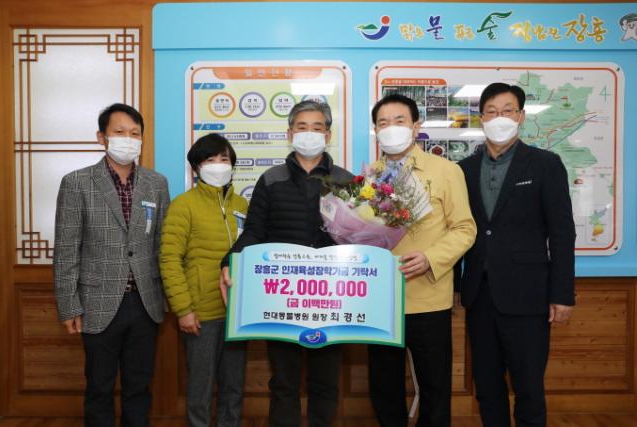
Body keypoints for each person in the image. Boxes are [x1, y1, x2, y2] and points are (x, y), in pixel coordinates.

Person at [220, 100, 353, 427]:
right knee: (283, 382)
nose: (309, 133)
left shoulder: (347, 181)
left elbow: (358, 239)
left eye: (317, 127)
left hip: (331, 299)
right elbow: (254, 232)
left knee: (325, 382)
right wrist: (229, 261)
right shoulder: (271, 179)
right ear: (290, 133)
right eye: (302, 127)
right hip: (282, 299)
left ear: (328, 135)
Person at [455, 82, 576, 427]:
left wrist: (562, 295)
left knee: (528, 387)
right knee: (486, 387)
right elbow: (457, 230)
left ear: (521, 116)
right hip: (479, 295)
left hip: (528, 296)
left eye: (508, 110)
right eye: (491, 111)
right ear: (481, 118)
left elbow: (562, 233)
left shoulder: (545, 164)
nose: (500, 118)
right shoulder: (464, 169)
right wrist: (454, 288)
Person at [53, 103, 170, 426]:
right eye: (119, 132)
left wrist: (166, 298)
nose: (128, 139)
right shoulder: (77, 182)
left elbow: (162, 243)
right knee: (99, 387)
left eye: (135, 133)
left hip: (145, 302)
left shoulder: (156, 183)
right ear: (101, 137)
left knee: (139, 386)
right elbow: (66, 249)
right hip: (97, 301)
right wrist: (68, 305)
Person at [367, 94, 477, 427]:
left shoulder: (446, 171)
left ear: (416, 126)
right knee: (384, 386)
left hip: (428, 297)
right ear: (376, 131)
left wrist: (431, 258)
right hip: (380, 300)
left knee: (434, 386)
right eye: (383, 123)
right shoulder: (369, 177)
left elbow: (465, 229)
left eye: (399, 121)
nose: (391, 128)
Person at [160, 134, 248, 427]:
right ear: (196, 167)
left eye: (224, 159)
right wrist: (183, 309)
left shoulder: (243, 205)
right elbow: (169, 259)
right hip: (201, 315)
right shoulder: (183, 205)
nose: (218, 165)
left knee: (233, 387)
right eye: (210, 159)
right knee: (200, 389)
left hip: (237, 315)